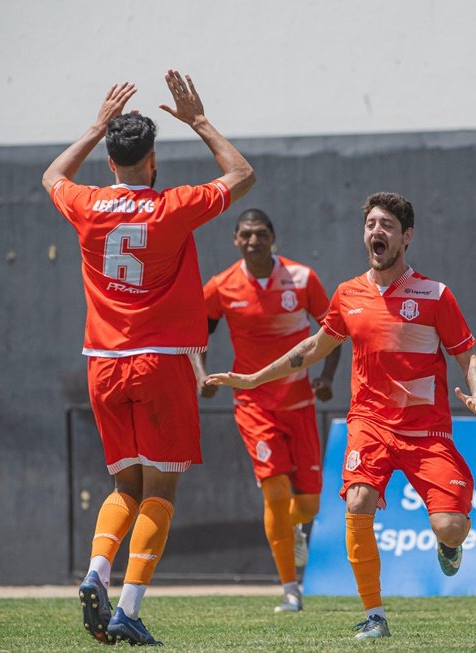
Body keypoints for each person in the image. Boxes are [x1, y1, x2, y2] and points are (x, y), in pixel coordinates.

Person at [206, 192, 476, 640]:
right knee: (358, 501)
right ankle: (375, 616)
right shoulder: (348, 293)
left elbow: (469, 357)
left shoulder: (435, 294)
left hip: (427, 431)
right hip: (370, 424)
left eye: (387, 226)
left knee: (451, 526)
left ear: (407, 237)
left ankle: (449, 545)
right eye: (371, 225)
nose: (376, 232)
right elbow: (309, 350)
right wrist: (251, 379)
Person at [42, 69, 255, 646]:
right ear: (153, 159)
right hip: (161, 362)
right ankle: (128, 609)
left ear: (110, 162)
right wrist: (201, 121)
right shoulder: (173, 206)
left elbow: (52, 175)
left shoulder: (86, 205)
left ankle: (95, 573)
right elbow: (241, 173)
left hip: (102, 363)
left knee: (124, 490)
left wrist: (93, 125)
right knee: (160, 493)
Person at [190, 209, 341, 613]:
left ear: (273, 237)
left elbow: (333, 332)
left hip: (300, 403)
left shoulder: (303, 279)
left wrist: (325, 378)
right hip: (253, 403)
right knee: (274, 491)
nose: (253, 240)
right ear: (235, 240)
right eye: (246, 234)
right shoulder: (221, 286)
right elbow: (194, 335)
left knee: (307, 505)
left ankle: (295, 531)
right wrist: (202, 375)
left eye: (261, 234)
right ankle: (291, 590)